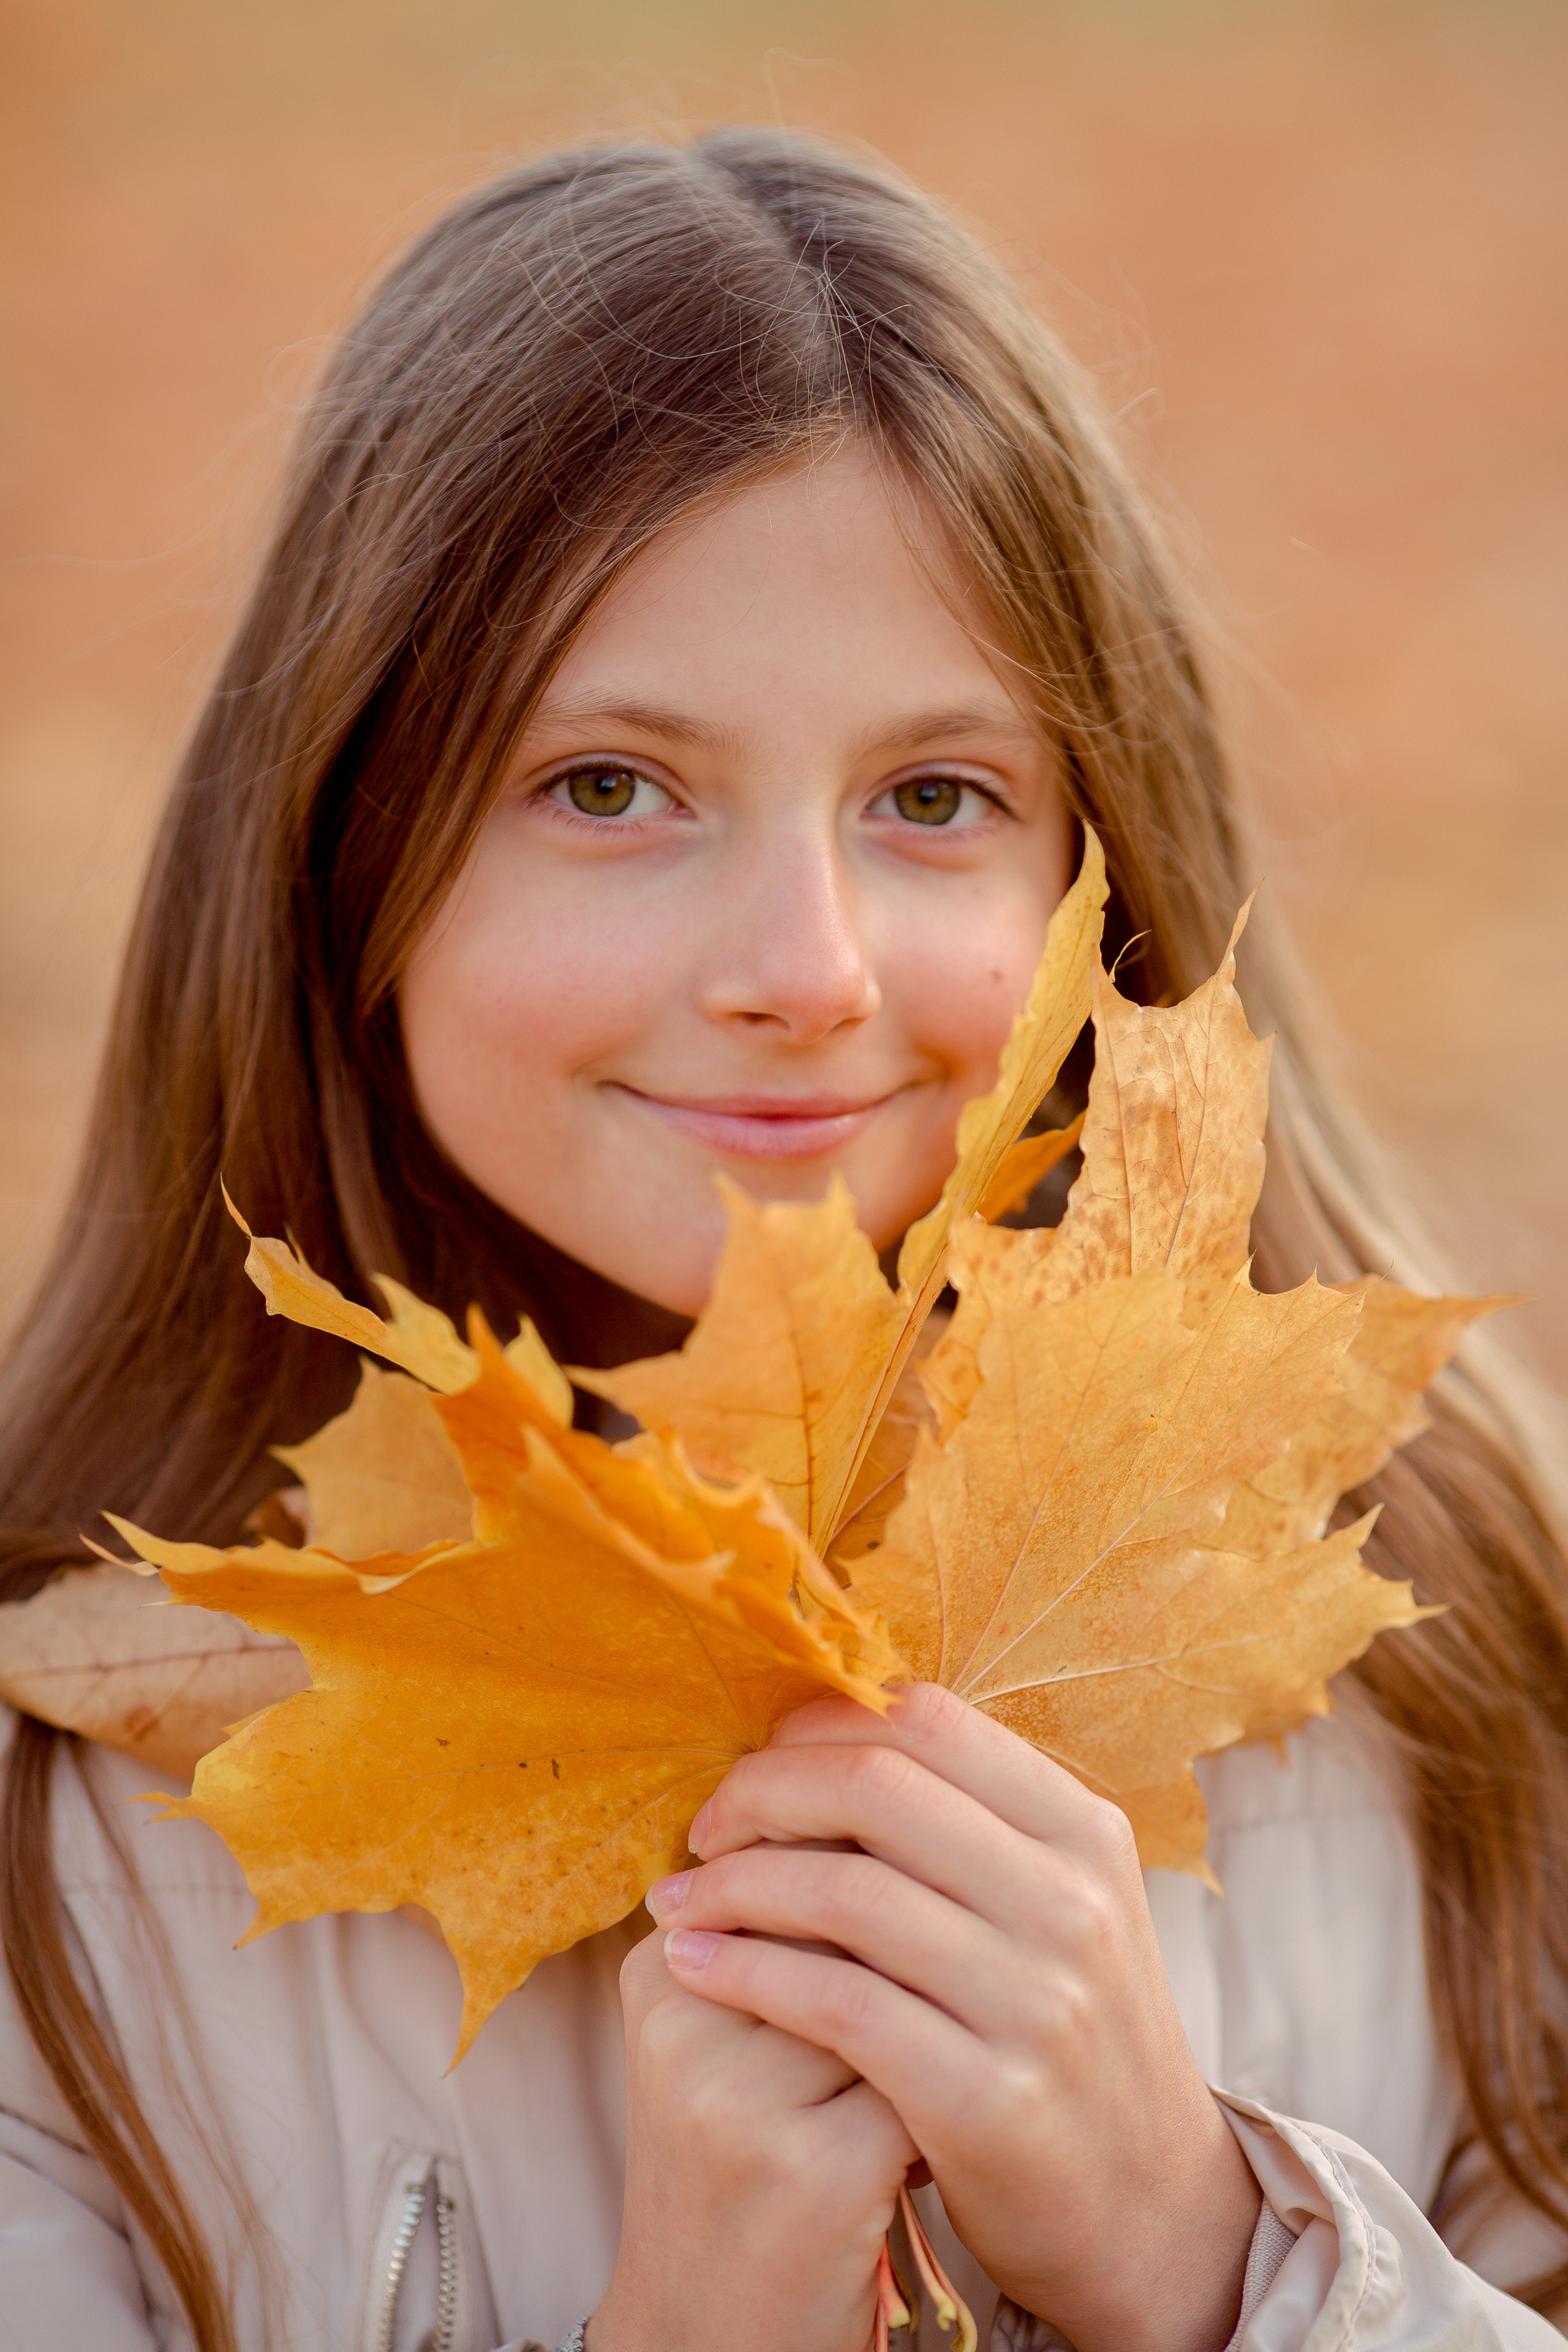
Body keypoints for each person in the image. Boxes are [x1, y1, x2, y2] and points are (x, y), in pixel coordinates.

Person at [0, 128, 1564, 2352]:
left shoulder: (1453, 1647)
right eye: (610, 787)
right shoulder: (59, 1844)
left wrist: (1207, 2259)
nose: (805, 965)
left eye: (936, 799)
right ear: (348, 865)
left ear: (1101, 874)